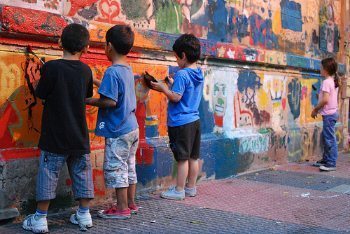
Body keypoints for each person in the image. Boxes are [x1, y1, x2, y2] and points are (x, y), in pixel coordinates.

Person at [22, 23, 94, 233]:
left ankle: (40, 219)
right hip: (79, 136)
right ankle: (84, 215)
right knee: (82, 174)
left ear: (60, 42)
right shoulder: (86, 70)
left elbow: (41, 93)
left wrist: (36, 80)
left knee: (48, 173)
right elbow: (86, 96)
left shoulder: (52, 68)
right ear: (86, 48)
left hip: (54, 135)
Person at [85, 25, 139, 219]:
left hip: (118, 129)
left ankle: (121, 208)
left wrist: (87, 100)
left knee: (117, 168)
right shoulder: (126, 69)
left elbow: (110, 101)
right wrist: (96, 82)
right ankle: (131, 204)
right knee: (129, 166)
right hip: (132, 127)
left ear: (109, 46)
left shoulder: (112, 71)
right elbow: (115, 90)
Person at [151, 34, 204, 200]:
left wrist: (162, 88)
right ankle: (191, 188)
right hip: (194, 120)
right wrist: (173, 85)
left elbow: (176, 97)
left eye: (176, 58)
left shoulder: (182, 74)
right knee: (193, 157)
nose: (176, 62)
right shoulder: (198, 72)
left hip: (181, 123)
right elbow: (187, 92)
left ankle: (179, 190)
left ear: (183, 56)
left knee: (181, 159)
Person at [312, 57, 339, 171]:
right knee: (326, 137)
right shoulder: (332, 80)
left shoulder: (326, 82)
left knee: (329, 139)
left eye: (321, 67)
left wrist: (315, 109)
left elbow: (325, 100)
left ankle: (331, 163)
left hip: (329, 114)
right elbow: (328, 98)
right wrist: (320, 97)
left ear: (326, 69)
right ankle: (326, 159)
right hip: (332, 113)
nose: (320, 69)